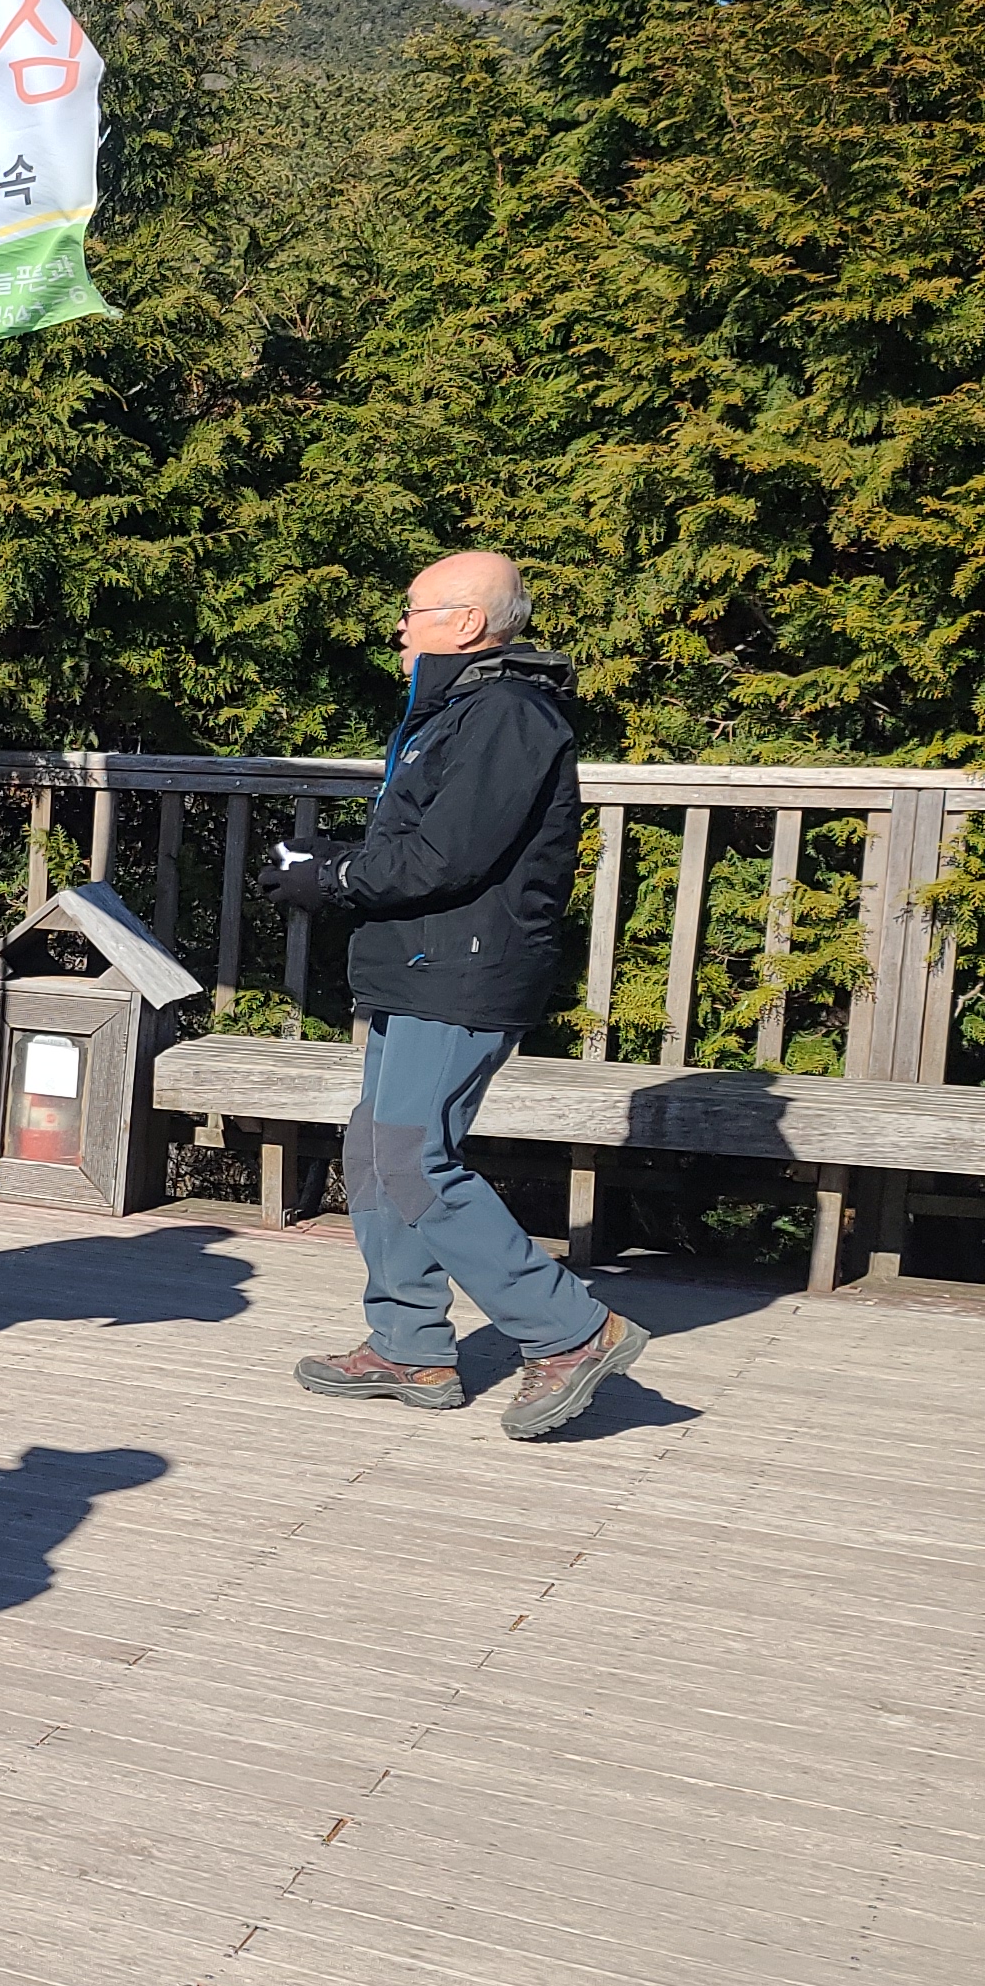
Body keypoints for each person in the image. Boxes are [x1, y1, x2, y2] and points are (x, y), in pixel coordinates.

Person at [273, 551, 650, 1439]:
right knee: (376, 1151)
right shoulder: (461, 710)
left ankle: (571, 1331)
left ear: (468, 623)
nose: (399, 630)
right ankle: (408, 1346)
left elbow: (449, 858)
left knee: (413, 1157)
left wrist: (332, 876)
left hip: (462, 970)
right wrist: (329, 863)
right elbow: (425, 842)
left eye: (411, 612)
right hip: (422, 965)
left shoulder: (508, 714)